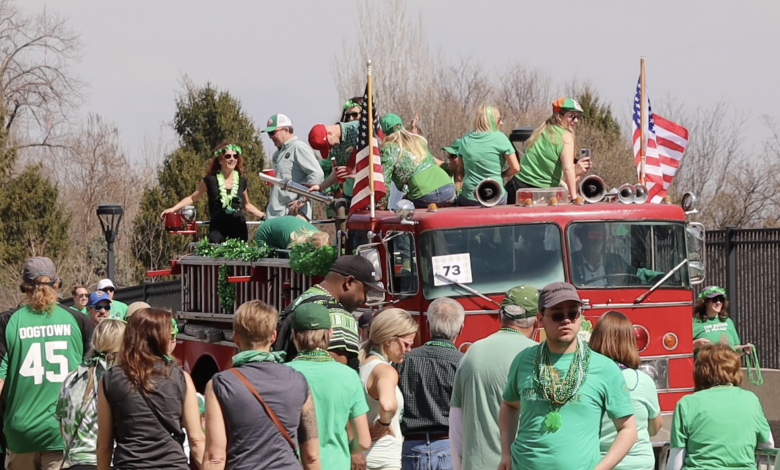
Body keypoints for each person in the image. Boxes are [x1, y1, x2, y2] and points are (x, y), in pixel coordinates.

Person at [498, 282, 637, 470]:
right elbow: (509, 405)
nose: (566, 320)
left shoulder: (604, 368)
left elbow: (628, 429)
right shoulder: (524, 360)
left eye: (572, 313)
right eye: (556, 315)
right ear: (540, 319)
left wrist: (601, 468)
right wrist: (506, 453)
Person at [0, 257, 94, 470]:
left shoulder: (7, 323)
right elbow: (94, 380)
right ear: (57, 284)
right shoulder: (78, 321)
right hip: (62, 431)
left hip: (20, 432)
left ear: (24, 286)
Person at [202, 300, 320, 470]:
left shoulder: (220, 384)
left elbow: (215, 458)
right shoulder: (298, 380)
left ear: (236, 337)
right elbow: (312, 456)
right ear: (274, 336)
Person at [98, 308, 205, 470]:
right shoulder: (181, 378)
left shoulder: (111, 379)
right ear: (160, 338)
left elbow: (105, 443)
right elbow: (196, 440)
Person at [449, 285, 539, 470]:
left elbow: (456, 422)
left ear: (500, 317)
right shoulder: (537, 356)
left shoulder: (471, 352)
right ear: (536, 323)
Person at [287, 303, 371, 470]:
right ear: (330, 334)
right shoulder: (348, 376)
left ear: (294, 334)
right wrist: (344, 451)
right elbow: (363, 441)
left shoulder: (283, 373)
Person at [668, 343, 774, 470]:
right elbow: (768, 444)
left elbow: (676, 461)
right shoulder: (751, 399)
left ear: (700, 371)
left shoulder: (686, 403)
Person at [274, 255, 385, 366]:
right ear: (349, 282)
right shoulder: (339, 316)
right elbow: (336, 376)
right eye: (365, 291)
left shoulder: (302, 300)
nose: (365, 299)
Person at [396, 298, 465, 470]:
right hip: (449, 446)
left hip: (411, 446)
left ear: (427, 325)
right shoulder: (463, 363)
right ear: (462, 328)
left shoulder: (403, 361)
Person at [589, 311, 661, 470]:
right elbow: (654, 428)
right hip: (638, 464)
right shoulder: (642, 380)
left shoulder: (588, 379)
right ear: (630, 341)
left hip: (599, 463)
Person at [56, 318, 126, 470]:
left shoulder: (71, 378)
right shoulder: (120, 381)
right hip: (110, 462)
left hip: (75, 463)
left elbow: (62, 425)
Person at [160, 141, 265, 243]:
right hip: (218, 230)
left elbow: (246, 206)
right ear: (220, 160)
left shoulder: (242, 181)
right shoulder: (210, 180)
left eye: (235, 156)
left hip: (238, 228)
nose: (232, 159)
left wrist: (265, 217)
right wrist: (173, 209)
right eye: (228, 156)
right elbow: (192, 198)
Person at [360, 308, 419, 470]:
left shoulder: (363, 365)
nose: (408, 350)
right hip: (383, 459)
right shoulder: (385, 371)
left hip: (365, 455)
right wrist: (384, 422)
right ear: (389, 339)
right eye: (406, 344)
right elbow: (387, 405)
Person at [509, 97, 592, 203]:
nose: (575, 121)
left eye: (578, 117)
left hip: (517, 187)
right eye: (572, 116)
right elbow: (568, 169)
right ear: (559, 116)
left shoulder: (542, 130)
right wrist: (574, 197)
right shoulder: (566, 137)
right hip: (540, 192)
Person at [379, 114, 456, 209]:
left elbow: (384, 181)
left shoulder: (389, 148)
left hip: (425, 195)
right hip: (448, 189)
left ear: (384, 132)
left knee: (401, 206)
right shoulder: (417, 140)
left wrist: (382, 205)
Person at [262, 114, 324, 220]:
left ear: (286, 130)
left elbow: (318, 174)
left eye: (273, 132)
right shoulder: (277, 154)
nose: (270, 136)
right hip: (276, 215)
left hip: (294, 214)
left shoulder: (298, 147)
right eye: (269, 133)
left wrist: (303, 199)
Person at [457, 105, 520, 206]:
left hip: (469, 198)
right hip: (496, 196)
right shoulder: (500, 138)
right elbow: (516, 168)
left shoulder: (465, 139)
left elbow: (460, 170)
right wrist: (501, 174)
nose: (502, 123)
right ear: (491, 121)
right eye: (499, 119)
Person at [570, 224, 663, 287]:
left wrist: (663, 276)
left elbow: (636, 274)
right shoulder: (571, 261)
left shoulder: (615, 260)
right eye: (592, 235)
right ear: (582, 238)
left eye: (600, 235)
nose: (597, 240)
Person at [308, 121, 361, 205]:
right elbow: (338, 172)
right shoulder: (336, 146)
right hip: (349, 195)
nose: (330, 149)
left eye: (329, 146)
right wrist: (320, 187)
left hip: (369, 194)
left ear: (329, 133)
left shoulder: (359, 129)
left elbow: (379, 161)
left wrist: (357, 171)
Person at [692, 285, 752, 354]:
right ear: (705, 302)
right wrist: (695, 344)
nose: (718, 302)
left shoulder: (727, 321)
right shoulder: (694, 322)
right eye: (714, 299)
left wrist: (743, 349)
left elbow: (734, 349)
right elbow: (681, 350)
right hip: (707, 364)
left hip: (728, 363)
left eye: (721, 299)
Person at [254, 214, 327, 251]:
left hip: (284, 229)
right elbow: (291, 261)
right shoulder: (294, 239)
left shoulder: (317, 234)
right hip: (265, 235)